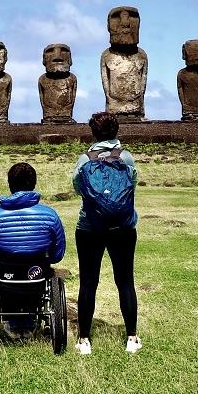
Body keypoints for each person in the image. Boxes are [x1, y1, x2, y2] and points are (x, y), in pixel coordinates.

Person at [72, 112, 141, 355]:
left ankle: (84, 339)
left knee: (88, 282)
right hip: (123, 226)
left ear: (93, 133)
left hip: (89, 226)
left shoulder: (84, 159)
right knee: (125, 281)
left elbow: (78, 189)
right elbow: (132, 185)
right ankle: (132, 337)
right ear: (116, 131)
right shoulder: (127, 158)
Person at [0, 162, 66, 338]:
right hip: (38, 276)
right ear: (33, 184)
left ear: (10, 185)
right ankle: (28, 322)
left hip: (5, 277)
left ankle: (14, 322)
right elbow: (57, 254)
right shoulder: (50, 215)